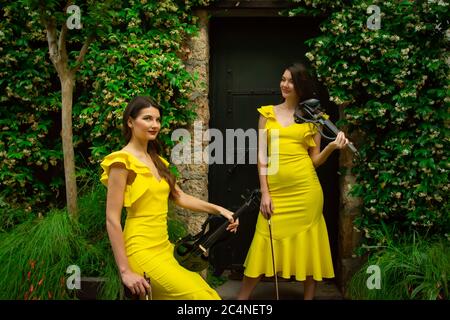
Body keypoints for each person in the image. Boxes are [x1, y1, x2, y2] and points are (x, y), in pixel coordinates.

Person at [100, 96, 238, 300]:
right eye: (147, 118)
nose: (154, 124)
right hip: (140, 250)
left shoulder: (157, 161)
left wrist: (220, 210)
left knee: (208, 293)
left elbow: (180, 197)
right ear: (130, 121)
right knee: (201, 298)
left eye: (157, 119)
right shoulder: (121, 162)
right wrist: (125, 271)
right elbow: (112, 219)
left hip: (164, 248)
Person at [237, 63, 349, 300]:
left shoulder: (314, 118)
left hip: (306, 191)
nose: (284, 85)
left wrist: (330, 147)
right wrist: (265, 193)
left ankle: (308, 298)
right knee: (263, 242)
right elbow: (261, 156)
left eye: (291, 81)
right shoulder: (267, 113)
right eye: (283, 79)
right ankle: (242, 299)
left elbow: (315, 160)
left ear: (301, 86)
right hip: (276, 191)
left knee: (310, 245)